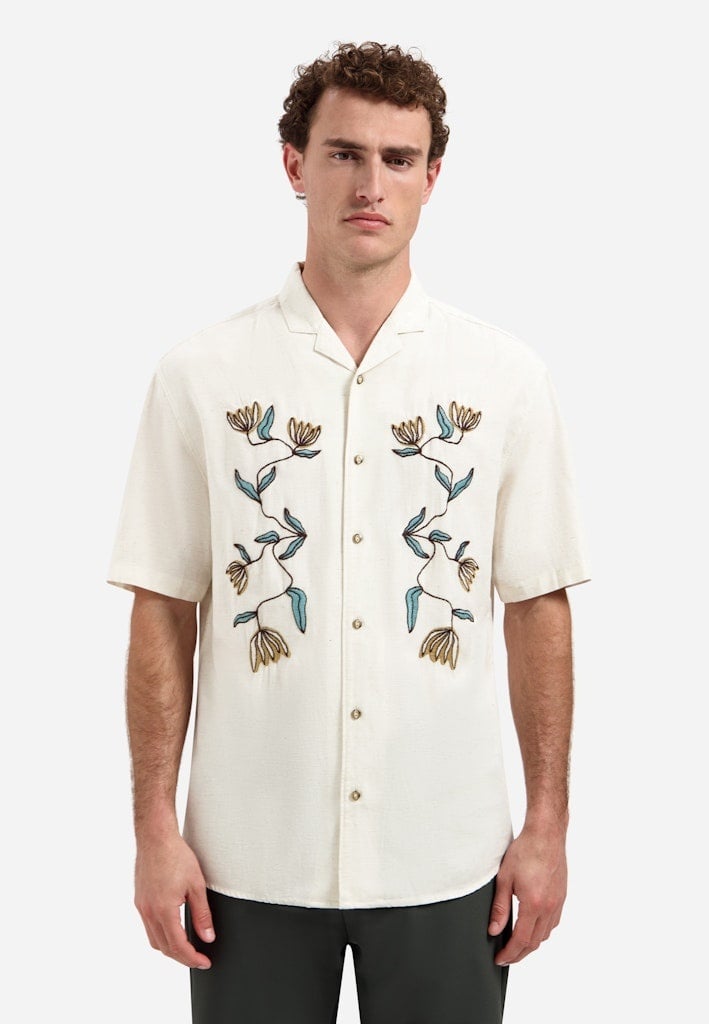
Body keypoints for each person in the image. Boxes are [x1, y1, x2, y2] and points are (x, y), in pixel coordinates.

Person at [107, 40, 590, 1024]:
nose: (371, 184)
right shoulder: (202, 376)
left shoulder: (503, 379)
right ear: (294, 164)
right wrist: (154, 830)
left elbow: (536, 605)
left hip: (446, 856)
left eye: (397, 158)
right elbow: (163, 606)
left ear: (431, 177)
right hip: (246, 862)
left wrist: (547, 826)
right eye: (343, 154)